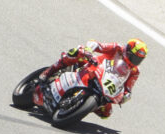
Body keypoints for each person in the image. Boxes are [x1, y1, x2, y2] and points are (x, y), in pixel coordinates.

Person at [15, 39, 148, 123]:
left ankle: (75, 105)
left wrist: (125, 97)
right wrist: (90, 50)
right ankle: (49, 72)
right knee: (77, 52)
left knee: (106, 113)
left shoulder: (135, 71)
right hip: (93, 68)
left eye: (139, 60)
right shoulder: (117, 48)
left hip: (106, 85)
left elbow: (129, 88)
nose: (136, 62)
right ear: (128, 51)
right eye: (135, 57)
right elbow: (96, 44)